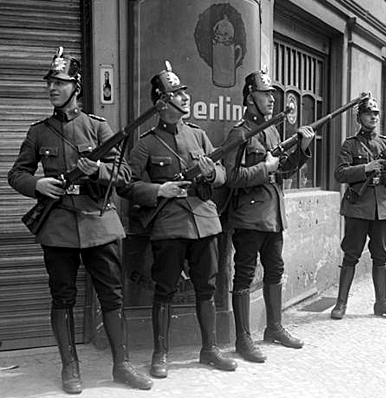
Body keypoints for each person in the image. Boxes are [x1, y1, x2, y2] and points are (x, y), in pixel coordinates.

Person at [8, 47, 153, 394]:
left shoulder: (98, 127)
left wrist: (99, 170)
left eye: (59, 82)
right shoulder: (38, 132)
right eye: (50, 83)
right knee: (62, 298)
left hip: (98, 223)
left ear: (76, 87)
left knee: (112, 298)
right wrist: (38, 184)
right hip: (57, 226)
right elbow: (17, 174)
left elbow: (125, 175)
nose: (52, 88)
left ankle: (122, 364)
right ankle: (70, 368)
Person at [117, 61, 237, 378]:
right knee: (165, 289)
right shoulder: (145, 143)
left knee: (207, 289)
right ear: (161, 102)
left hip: (205, 221)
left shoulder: (198, 136)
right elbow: (125, 185)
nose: (184, 97)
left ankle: (210, 349)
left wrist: (213, 172)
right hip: (169, 225)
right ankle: (161, 354)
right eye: (176, 93)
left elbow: (223, 173)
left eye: (184, 92)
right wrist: (160, 189)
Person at [222, 69, 315, 363]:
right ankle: (242, 339)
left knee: (275, 270)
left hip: (273, 215)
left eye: (273, 95)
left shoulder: (272, 130)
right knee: (245, 275)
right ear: (250, 98)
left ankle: (274, 327)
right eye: (265, 94)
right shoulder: (239, 133)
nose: (272, 99)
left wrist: (302, 151)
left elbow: (283, 170)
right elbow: (231, 177)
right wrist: (266, 168)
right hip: (249, 217)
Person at [330, 92, 386, 321]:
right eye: (368, 113)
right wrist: (365, 168)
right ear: (359, 118)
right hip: (358, 208)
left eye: (375, 113)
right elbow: (339, 174)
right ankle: (341, 304)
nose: (373, 117)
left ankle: (381, 303)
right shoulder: (350, 145)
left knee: (381, 257)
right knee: (351, 256)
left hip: (382, 207)